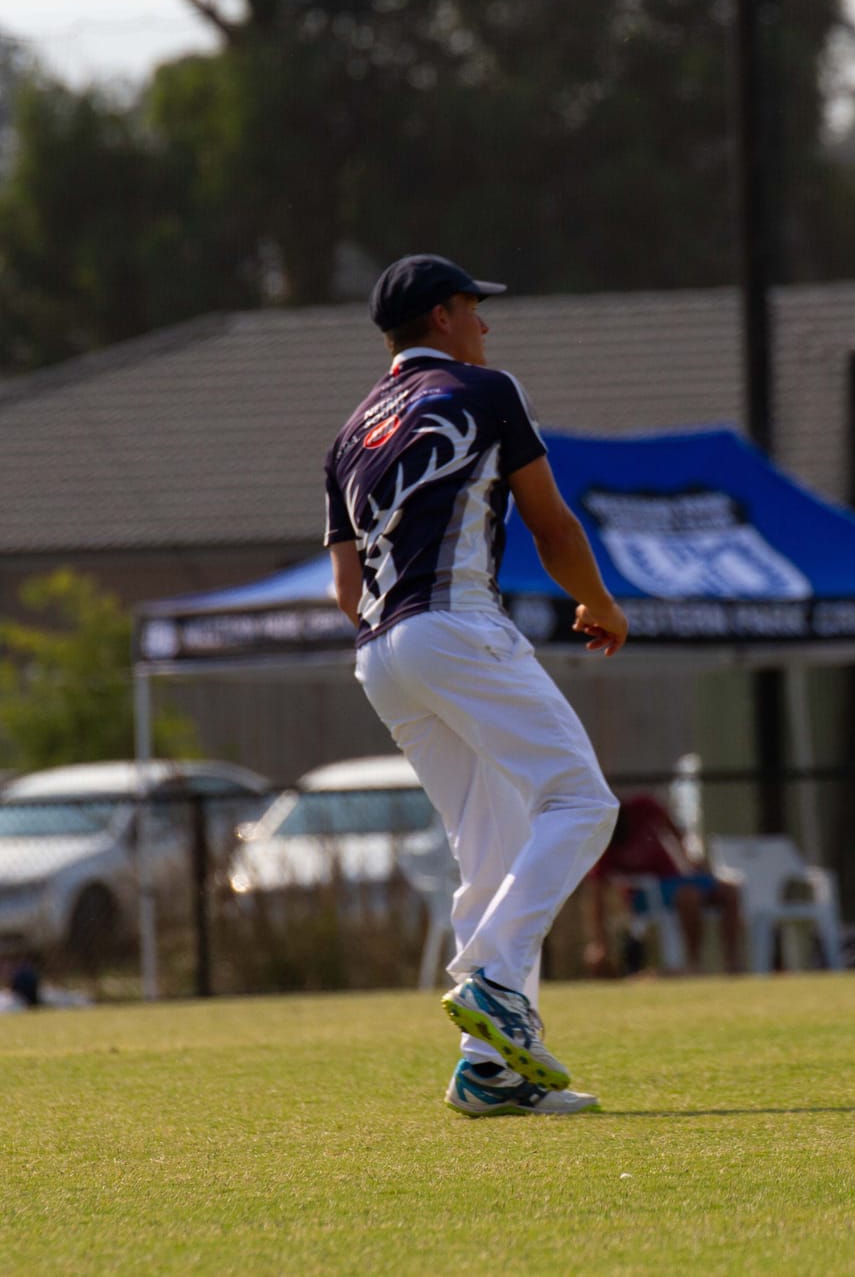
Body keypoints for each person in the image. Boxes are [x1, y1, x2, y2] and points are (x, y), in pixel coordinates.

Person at [324, 253, 629, 1116]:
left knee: (489, 852)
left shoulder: (348, 434)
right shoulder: (485, 390)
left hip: (382, 653)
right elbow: (551, 521)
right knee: (581, 802)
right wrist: (601, 603)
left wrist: (408, 642)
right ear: (445, 316)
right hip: (453, 622)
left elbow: (346, 590)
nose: (486, 324)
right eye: (474, 307)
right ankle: (494, 982)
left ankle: (490, 1071)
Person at [581, 794, 745, 976]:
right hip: (643, 896)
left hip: (674, 880)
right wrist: (599, 943)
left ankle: (733, 962)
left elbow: (671, 826)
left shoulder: (643, 807)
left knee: (729, 891)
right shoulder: (603, 846)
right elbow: (597, 897)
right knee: (689, 895)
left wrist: (687, 856)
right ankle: (694, 964)